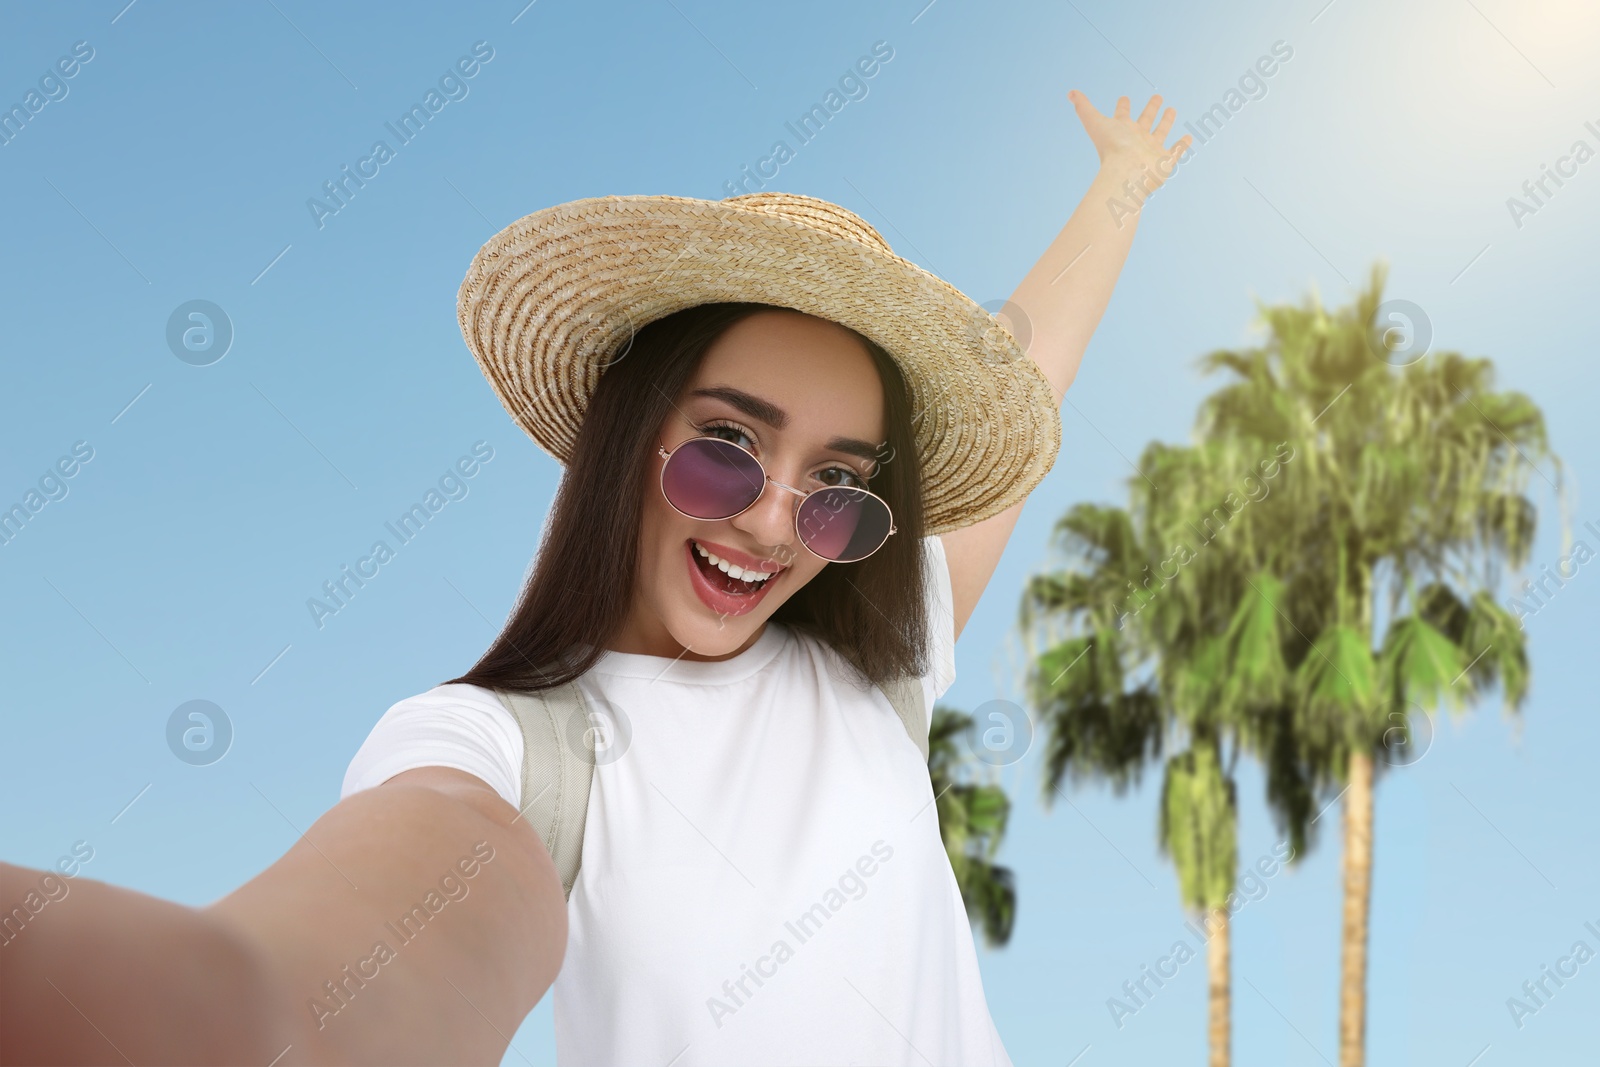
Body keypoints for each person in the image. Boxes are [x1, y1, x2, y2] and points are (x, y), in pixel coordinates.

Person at [0, 90, 1190, 1066]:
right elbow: (328, 969)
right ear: (634, 433)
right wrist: (231, 1006)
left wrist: (1120, 188)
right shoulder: (506, 746)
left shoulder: (874, 676)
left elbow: (1037, 361)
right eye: (728, 445)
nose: (777, 520)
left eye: (834, 484)